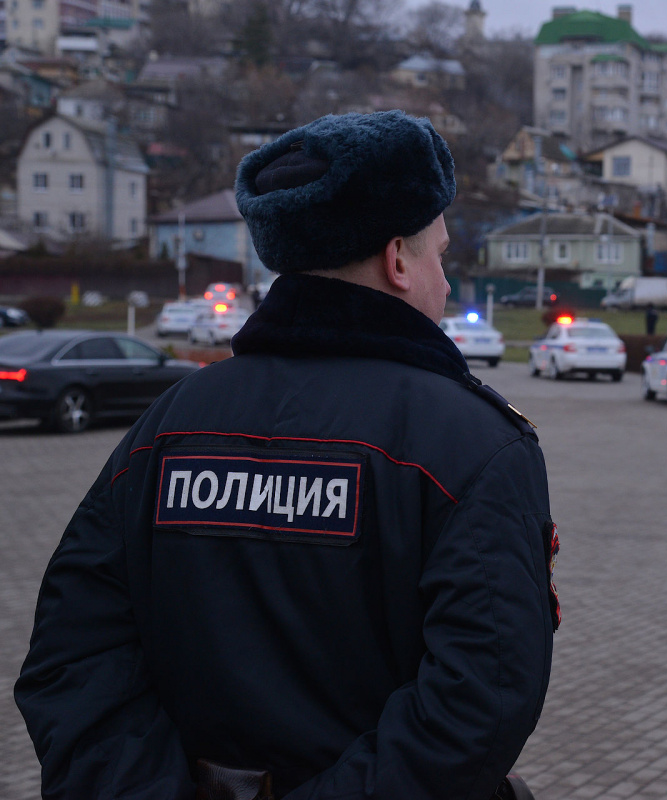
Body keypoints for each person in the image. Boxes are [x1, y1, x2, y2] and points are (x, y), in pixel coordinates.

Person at [15, 111, 559, 800]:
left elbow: (73, 657)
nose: (446, 285)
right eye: (440, 256)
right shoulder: (476, 444)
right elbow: (479, 702)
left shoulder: (168, 425)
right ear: (397, 260)